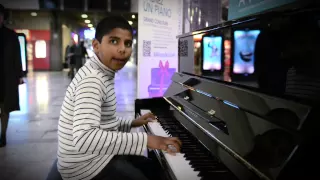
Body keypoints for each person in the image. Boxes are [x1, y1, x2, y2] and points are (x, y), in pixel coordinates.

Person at [57, 16, 182, 180]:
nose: (123, 49)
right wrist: (147, 140)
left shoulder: (102, 72)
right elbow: (85, 138)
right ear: (96, 46)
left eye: (128, 43)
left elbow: (103, 122)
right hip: (85, 166)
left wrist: (131, 123)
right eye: (114, 41)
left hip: (96, 156)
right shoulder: (93, 80)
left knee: (153, 169)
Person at [0, 4, 24, 147]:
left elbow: (17, 56)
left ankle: (3, 135)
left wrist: (20, 75)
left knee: (5, 106)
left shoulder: (11, 35)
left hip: (6, 76)